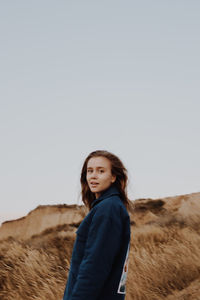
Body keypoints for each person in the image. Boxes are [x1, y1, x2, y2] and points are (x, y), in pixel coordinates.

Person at [63, 150, 131, 300]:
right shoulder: (110, 206)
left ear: (113, 177)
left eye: (101, 171)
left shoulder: (108, 208)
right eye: (90, 171)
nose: (93, 175)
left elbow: (95, 265)